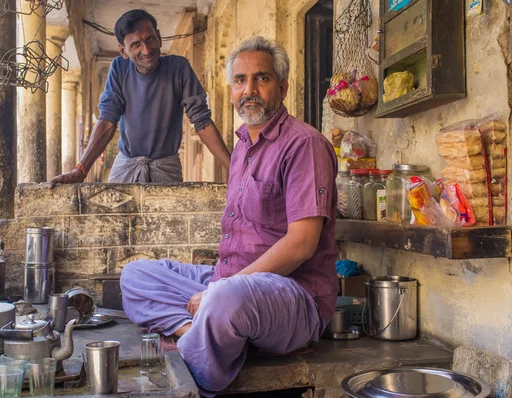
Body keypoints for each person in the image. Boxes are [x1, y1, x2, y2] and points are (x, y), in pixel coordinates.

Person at [119, 36, 339, 396]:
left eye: (261, 79)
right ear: (231, 90)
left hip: (293, 296)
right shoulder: (242, 149)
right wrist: (219, 285)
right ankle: (199, 332)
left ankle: (193, 371)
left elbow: (301, 245)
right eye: (240, 81)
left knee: (226, 300)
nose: (249, 89)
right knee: (135, 276)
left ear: (282, 87)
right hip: (228, 283)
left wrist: (220, 290)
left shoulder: (304, 145)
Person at [52, 9, 231, 184]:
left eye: (150, 39)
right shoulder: (119, 69)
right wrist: (80, 170)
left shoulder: (178, 68)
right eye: (136, 44)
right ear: (123, 51)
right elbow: (107, 120)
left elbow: (202, 121)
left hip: (166, 168)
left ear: (159, 38)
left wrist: (234, 170)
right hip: (127, 165)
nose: (146, 50)